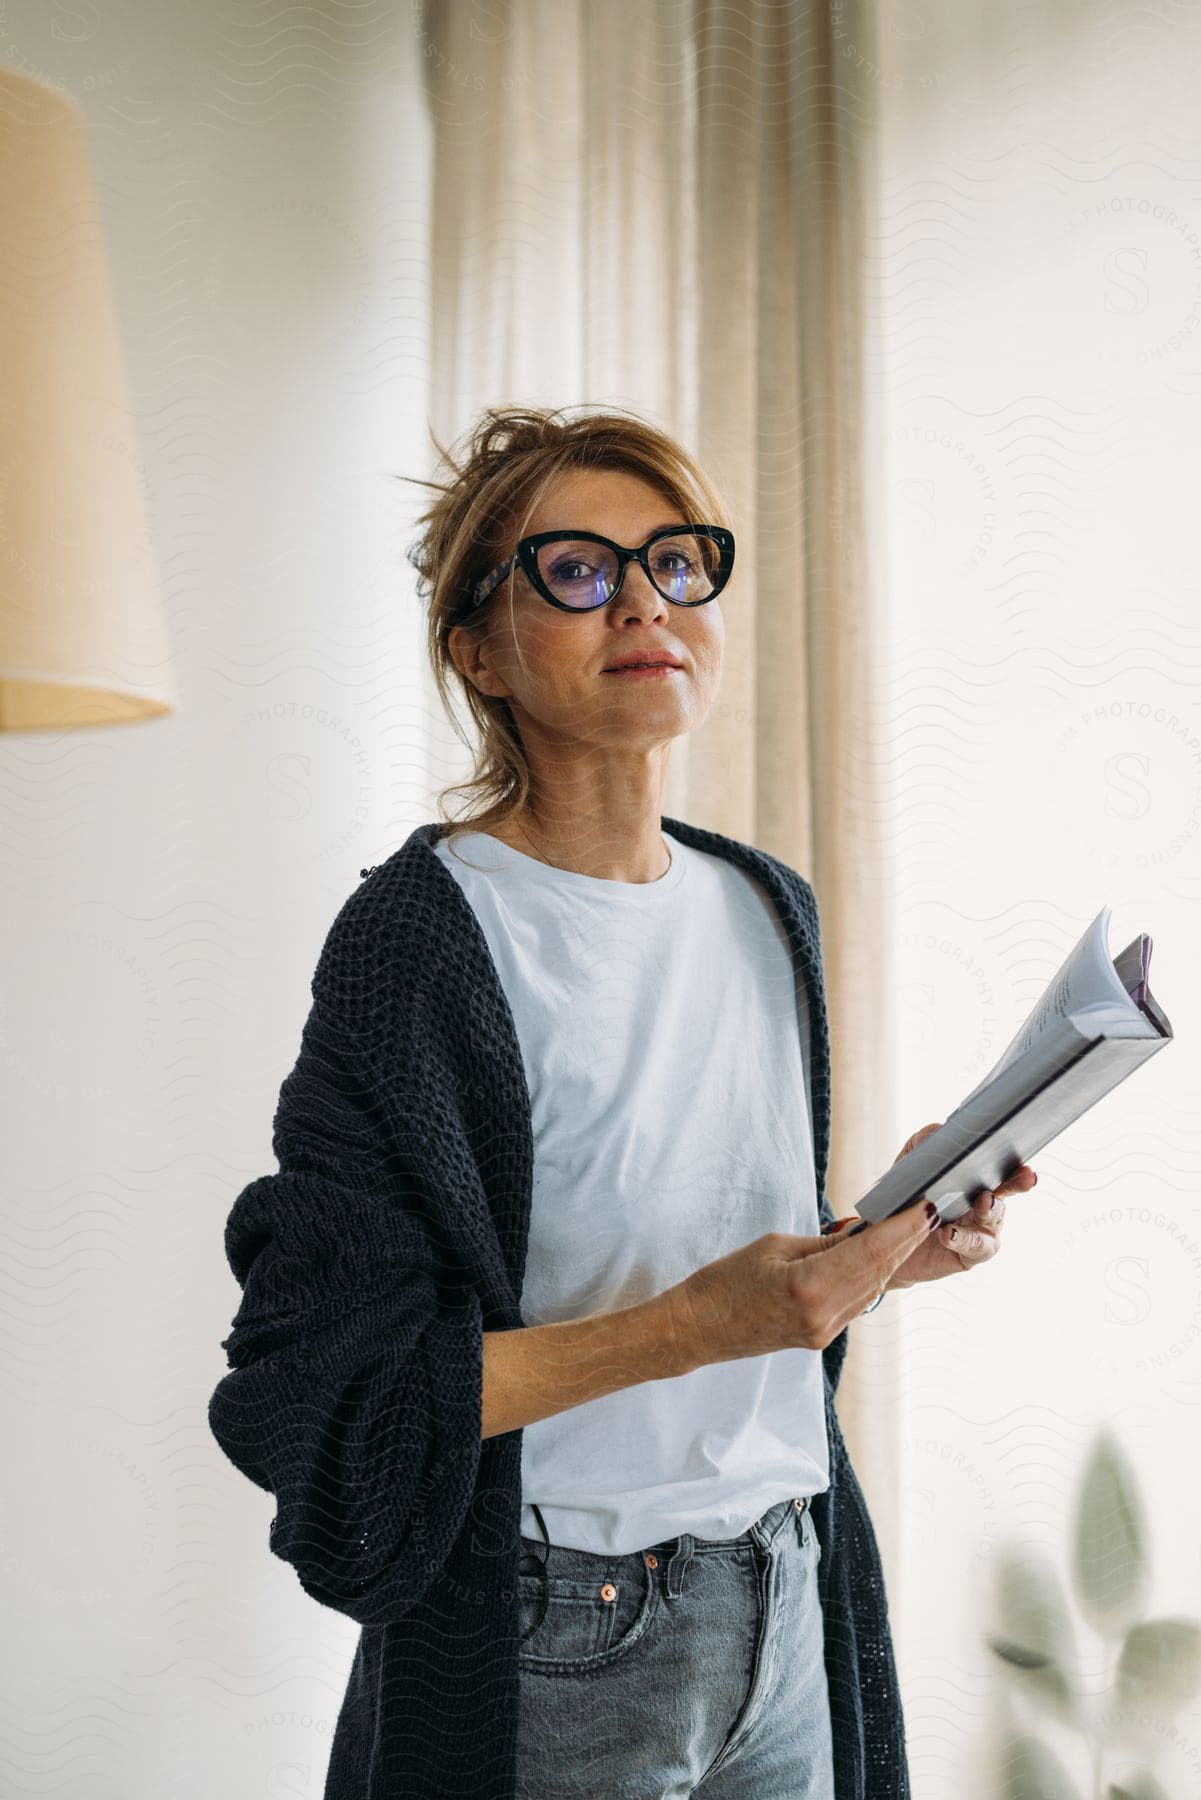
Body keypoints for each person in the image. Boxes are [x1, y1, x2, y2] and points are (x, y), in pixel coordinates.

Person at [208, 403, 1037, 1799]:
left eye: (675, 560)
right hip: (557, 1620)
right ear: (477, 649)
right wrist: (689, 1330)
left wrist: (877, 1249)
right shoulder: (422, 938)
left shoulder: (764, 906)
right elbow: (325, 1389)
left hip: (790, 1573)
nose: (644, 600)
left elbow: (702, 1261)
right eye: (577, 571)